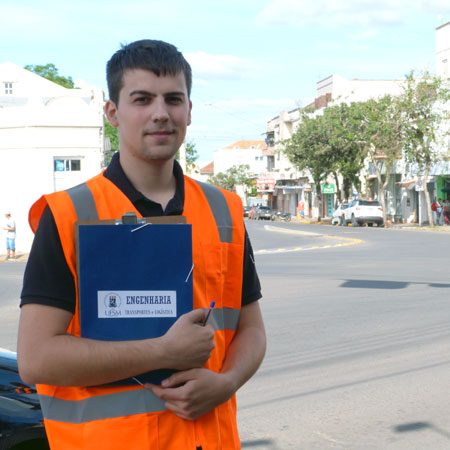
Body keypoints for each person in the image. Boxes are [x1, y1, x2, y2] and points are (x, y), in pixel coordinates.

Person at [17, 40, 266, 450]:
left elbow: (252, 330)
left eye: (173, 99)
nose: (160, 113)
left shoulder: (223, 209)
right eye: (142, 99)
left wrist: (226, 382)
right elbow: (37, 359)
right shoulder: (67, 214)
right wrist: (163, 351)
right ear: (112, 112)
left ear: (189, 110)